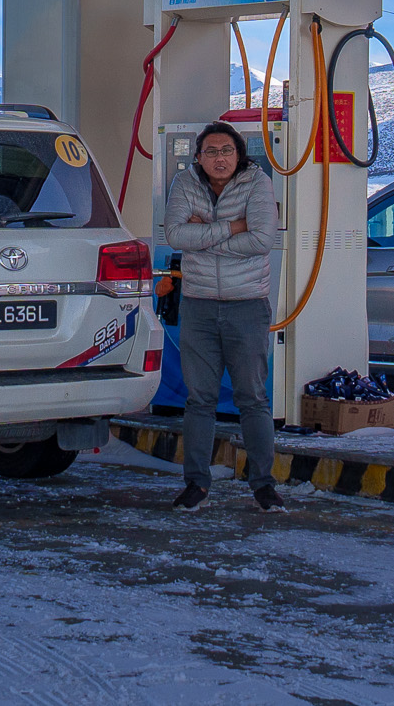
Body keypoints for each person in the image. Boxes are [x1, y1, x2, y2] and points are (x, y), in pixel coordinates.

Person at [163, 120, 283, 512]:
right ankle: (196, 484)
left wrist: (207, 235)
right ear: (198, 157)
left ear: (239, 155)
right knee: (200, 400)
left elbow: (264, 238)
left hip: (246, 305)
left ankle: (263, 485)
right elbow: (176, 237)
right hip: (197, 305)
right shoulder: (184, 185)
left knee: (252, 398)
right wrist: (232, 227)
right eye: (211, 152)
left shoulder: (257, 184)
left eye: (227, 151)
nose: (219, 158)